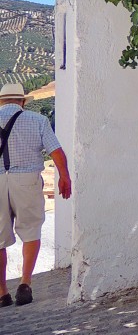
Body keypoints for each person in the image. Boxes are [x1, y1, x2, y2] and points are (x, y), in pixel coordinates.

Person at [0, 82, 72, 307]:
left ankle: (2, 292)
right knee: (31, 230)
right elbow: (56, 152)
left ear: (1, 102)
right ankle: (25, 283)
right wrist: (64, 177)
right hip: (27, 180)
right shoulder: (37, 120)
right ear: (22, 101)